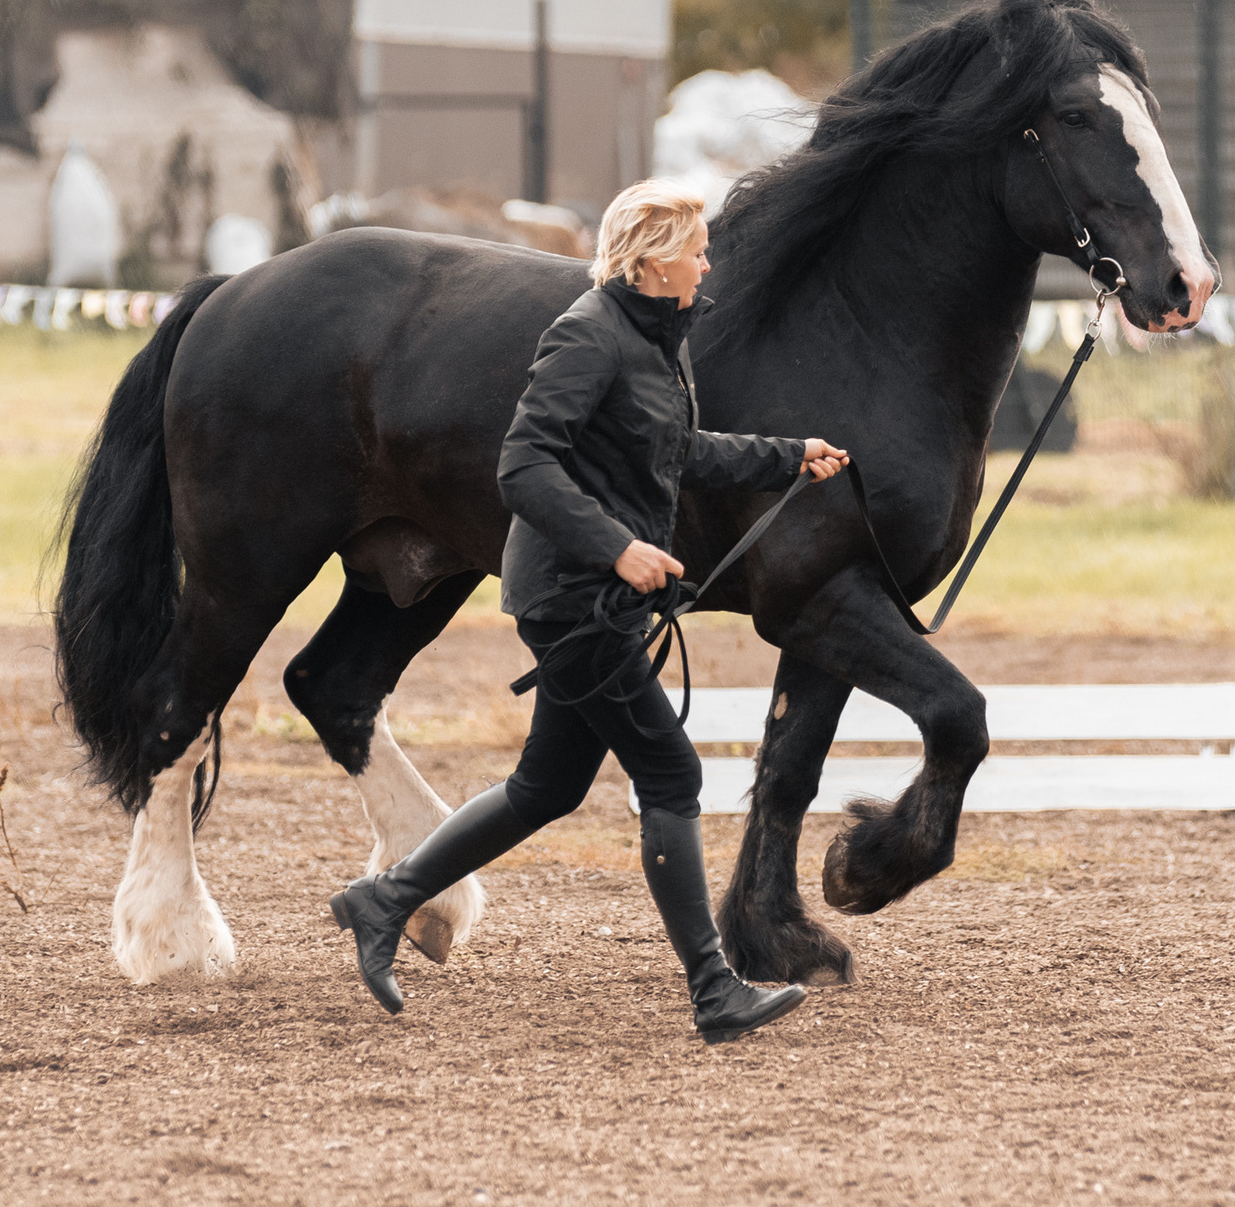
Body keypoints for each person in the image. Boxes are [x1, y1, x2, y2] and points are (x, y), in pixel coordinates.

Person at [329, 180, 849, 1044]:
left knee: (548, 786)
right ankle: (714, 990)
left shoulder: (655, 339)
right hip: (573, 597)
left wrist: (789, 456)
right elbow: (523, 464)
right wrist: (618, 547)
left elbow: (677, 451)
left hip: (598, 597)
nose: (707, 263)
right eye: (695, 250)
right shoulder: (588, 334)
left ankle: (383, 899)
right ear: (652, 261)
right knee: (672, 775)